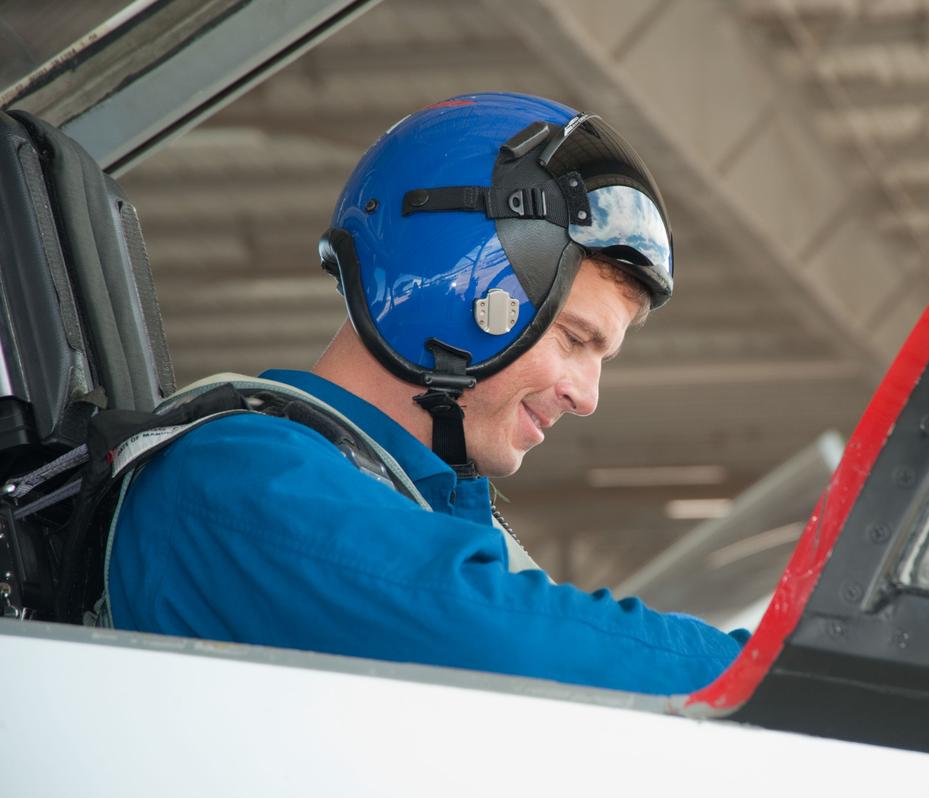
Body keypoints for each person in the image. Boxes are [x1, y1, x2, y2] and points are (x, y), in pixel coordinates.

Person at [105, 92, 748, 695]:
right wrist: (781, 676)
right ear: (460, 299)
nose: (587, 397)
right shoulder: (237, 476)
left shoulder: (415, 511)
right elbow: (496, 636)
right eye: (576, 340)